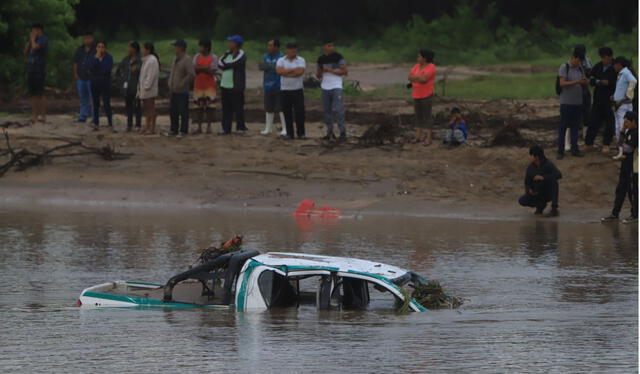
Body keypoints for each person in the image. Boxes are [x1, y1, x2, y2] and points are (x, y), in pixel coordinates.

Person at [601, 111, 638, 224]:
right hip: (625, 166)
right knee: (620, 190)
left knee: (633, 191)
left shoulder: (636, 133)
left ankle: (635, 214)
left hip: (634, 167)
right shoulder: (628, 132)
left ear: (634, 122)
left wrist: (622, 151)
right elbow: (620, 144)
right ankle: (615, 214)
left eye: (627, 122)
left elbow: (628, 149)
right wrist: (622, 131)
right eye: (624, 121)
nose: (625, 124)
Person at [556, 50, 588, 159]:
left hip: (578, 102)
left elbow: (583, 81)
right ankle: (560, 150)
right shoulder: (564, 67)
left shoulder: (580, 68)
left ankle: (575, 149)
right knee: (563, 127)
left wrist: (584, 82)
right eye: (578, 60)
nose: (578, 63)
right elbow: (562, 83)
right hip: (566, 102)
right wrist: (577, 82)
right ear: (573, 57)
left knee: (575, 127)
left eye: (580, 61)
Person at [585, 47, 616, 153]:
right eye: (602, 57)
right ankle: (588, 143)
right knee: (593, 121)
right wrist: (598, 81)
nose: (604, 60)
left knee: (610, 123)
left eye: (605, 57)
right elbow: (590, 79)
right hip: (598, 98)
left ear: (610, 57)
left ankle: (606, 144)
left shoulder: (615, 66)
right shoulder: (598, 66)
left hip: (610, 99)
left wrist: (600, 81)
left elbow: (610, 82)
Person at [316, 38, 348, 141]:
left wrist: (330, 70)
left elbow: (344, 71)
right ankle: (329, 132)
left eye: (332, 45)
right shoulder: (320, 59)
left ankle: (343, 132)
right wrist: (320, 71)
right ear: (324, 47)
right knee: (327, 111)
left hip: (336, 85)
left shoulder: (338, 57)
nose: (331, 48)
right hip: (325, 86)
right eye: (329, 45)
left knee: (338, 110)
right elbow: (318, 75)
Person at [518, 146, 562, 217]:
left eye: (531, 155)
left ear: (537, 157)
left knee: (554, 182)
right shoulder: (530, 167)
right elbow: (527, 182)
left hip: (547, 192)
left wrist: (543, 177)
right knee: (522, 200)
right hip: (536, 191)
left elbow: (559, 175)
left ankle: (554, 209)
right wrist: (529, 190)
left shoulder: (548, 164)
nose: (529, 157)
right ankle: (540, 206)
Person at [218, 35, 247, 134]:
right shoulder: (227, 53)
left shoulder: (241, 54)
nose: (229, 44)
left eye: (231, 42)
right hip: (225, 85)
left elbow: (234, 63)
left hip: (236, 85)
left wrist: (225, 65)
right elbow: (219, 63)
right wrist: (225, 65)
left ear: (236, 44)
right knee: (226, 108)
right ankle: (226, 128)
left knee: (238, 107)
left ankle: (240, 128)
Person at [276, 42, 306, 139]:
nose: (293, 50)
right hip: (285, 90)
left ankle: (301, 133)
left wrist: (286, 72)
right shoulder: (281, 60)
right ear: (287, 50)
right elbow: (279, 71)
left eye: (294, 48)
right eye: (291, 48)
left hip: (297, 89)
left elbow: (300, 72)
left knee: (299, 112)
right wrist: (293, 70)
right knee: (287, 112)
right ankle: (289, 133)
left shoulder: (301, 60)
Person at [166, 39, 194, 137]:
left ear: (181, 48)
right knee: (173, 111)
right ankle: (173, 129)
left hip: (182, 91)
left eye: (176, 47)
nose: (175, 49)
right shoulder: (175, 59)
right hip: (173, 90)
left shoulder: (187, 59)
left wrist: (182, 83)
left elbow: (191, 74)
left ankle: (183, 130)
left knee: (183, 111)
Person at [408, 50, 436, 145]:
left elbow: (424, 79)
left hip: (426, 94)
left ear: (424, 58)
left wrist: (415, 78)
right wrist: (418, 77)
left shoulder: (431, 67)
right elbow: (409, 77)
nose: (417, 58)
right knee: (418, 115)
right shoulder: (416, 66)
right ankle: (418, 136)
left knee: (427, 116)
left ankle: (429, 138)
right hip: (416, 93)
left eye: (419, 56)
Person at [259, 39, 286, 136]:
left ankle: (285, 129)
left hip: (279, 85)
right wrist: (274, 67)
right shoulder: (265, 56)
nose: (268, 47)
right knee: (268, 107)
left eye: (270, 45)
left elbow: (280, 68)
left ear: (276, 47)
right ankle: (268, 128)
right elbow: (261, 66)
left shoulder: (282, 56)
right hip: (267, 85)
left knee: (281, 107)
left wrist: (270, 67)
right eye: (268, 45)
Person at [23, 23, 48, 124]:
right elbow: (25, 52)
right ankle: (34, 115)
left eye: (35, 30)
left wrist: (33, 40)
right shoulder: (32, 40)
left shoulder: (43, 38)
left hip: (39, 69)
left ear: (40, 30)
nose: (33, 33)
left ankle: (43, 115)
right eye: (32, 31)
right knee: (33, 93)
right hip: (31, 69)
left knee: (40, 93)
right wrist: (30, 40)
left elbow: (35, 47)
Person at [115, 41, 142, 132]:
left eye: (129, 47)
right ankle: (129, 124)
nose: (128, 49)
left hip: (137, 87)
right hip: (127, 87)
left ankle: (138, 124)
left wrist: (137, 69)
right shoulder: (125, 60)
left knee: (137, 106)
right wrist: (121, 82)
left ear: (134, 49)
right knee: (128, 106)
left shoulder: (140, 60)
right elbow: (118, 71)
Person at [192, 38, 218, 134]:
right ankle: (199, 126)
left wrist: (200, 68)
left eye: (201, 46)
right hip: (198, 85)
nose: (199, 48)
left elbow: (212, 70)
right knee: (198, 107)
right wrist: (206, 68)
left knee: (210, 107)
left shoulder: (214, 57)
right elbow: (194, 68)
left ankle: (209, 126)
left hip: (209, 86)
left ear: (206, 47)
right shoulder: (197, 56)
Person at [87, 41, 114, 131]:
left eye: (102, 47)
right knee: (95, 104)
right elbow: (90, 67)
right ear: (96, 48)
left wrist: (97, 69)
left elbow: (106, 69)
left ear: (105, 48)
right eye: (99, 47)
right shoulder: (92, 57)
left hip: (105, 83)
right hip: (94, 83)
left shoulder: (109, 57)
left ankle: (110, 122)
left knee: (106, 103)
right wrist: (96, 59)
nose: (100, 48)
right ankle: (96, 123)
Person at [612, 56, 637, 148]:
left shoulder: (625, 72)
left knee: (623, 127)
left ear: (618, 65)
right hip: (619, 104)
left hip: (623, 104)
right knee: (618, 126)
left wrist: (628, 94)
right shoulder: (621, 74)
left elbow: (634, 81)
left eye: (615, 65)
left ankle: (624, 147)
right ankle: (621, 148)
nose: (614, 67)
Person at [72, 31, 95, 123]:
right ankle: (83, 116)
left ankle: (95, 116)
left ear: (92, 39)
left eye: (89, 38)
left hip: (92, 78)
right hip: (81, 77)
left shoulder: (96, 50)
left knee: (93, 98)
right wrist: (76, 75)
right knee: (83, 98)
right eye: (85, 38)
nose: (87, 40)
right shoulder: (79, 50)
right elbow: (75, 62)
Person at [138, 42, 159, 135]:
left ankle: (152, 128)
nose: (142, 50)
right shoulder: (146, 60)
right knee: (146, 108)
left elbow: (151, 75)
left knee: (151, 108)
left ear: (148, 50)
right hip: (144, 88)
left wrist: (146, 86)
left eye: (144, 49)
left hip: (149, 88)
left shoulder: (152, 60)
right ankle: (147, 126)